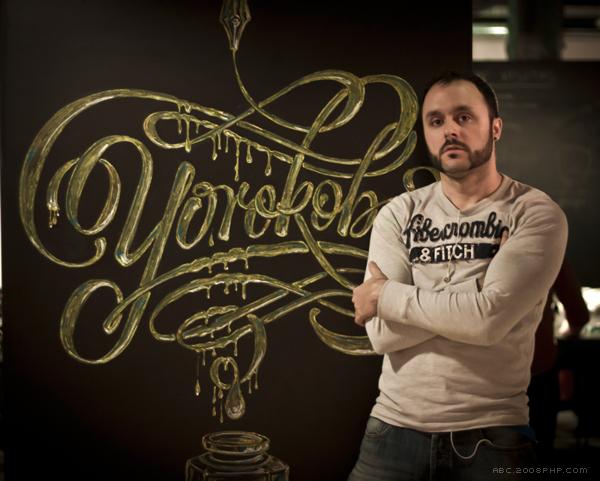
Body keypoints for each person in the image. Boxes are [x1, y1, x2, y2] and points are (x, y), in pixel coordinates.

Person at [348, 72, 568, 481]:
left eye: (464, 117)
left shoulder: (534, 212)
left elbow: (487, 322)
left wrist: (385, 296)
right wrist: (476, 293)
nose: (449, 129)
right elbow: (382, 335)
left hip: (494, 435)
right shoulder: (398, 213)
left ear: (495, 127)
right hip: (392, 430)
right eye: (436, 121)